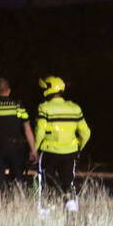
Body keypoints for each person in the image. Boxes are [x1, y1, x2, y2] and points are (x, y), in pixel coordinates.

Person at [34, 76, 91, 214]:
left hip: (49, 152)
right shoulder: (75, 108)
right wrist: (78, 147)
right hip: (70, 152)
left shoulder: (44, 108)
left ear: (49, 90)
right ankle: (71, 209)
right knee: (68, 183)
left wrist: (34, 149)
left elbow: (40, 131)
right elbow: (86, 132)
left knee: (46, 182)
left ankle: (46, 211)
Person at [0, 78, 36, 193]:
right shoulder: (18, 106)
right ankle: (17, 199)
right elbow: (27, 129)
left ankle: (1, 200)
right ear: (9, 91)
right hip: (16, 148)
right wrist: (33, 150)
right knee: (18, 180)